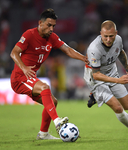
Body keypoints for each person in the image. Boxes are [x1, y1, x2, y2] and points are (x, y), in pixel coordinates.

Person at [10, 8, 88, 140]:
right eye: (49, 25)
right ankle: (57, 122)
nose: (51, 29)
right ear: (40, 23)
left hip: (30, 78)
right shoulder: (29, 34)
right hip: (20, 78)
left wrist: (84, 58)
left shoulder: (52, 38)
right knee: (45, 87)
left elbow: (68, 50)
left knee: (53, 102)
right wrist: (23, 68)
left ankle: (43, 133)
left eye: (53, 26)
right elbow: (14, 53)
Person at [84, 20, 128, 139]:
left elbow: (120, 53)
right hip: (96, 80)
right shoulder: (94, 49)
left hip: (113, 74)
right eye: (105, 36)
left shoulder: (119, 40)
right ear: (100, 33)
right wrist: (118, 81)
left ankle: (95, 97)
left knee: (127, 106)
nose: (108, 39)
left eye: (111, 36)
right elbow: (96, 75)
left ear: (116, 33)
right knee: (118, 107)